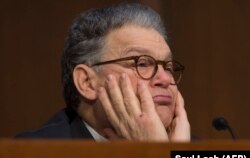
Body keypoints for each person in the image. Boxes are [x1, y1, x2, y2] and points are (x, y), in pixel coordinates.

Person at [17, 3, 190, 142]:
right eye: (142, 63)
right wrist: (152, 155)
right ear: (87, 82)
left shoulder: (192, 148)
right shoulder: (32, 153)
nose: (166, 78)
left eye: (168, 67)